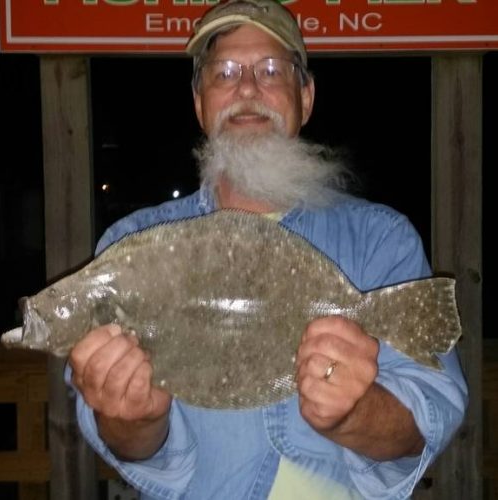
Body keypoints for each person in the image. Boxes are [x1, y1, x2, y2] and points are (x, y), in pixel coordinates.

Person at [67, 1, 468, 498]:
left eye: (272, 70)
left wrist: (357, 414)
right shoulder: (129, 248)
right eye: (225, 73)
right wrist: (131, 419)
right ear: (199, 103)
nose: (248, 88)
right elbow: (128, 445)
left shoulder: (381, 239)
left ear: (306, 97)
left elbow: (432, 415)